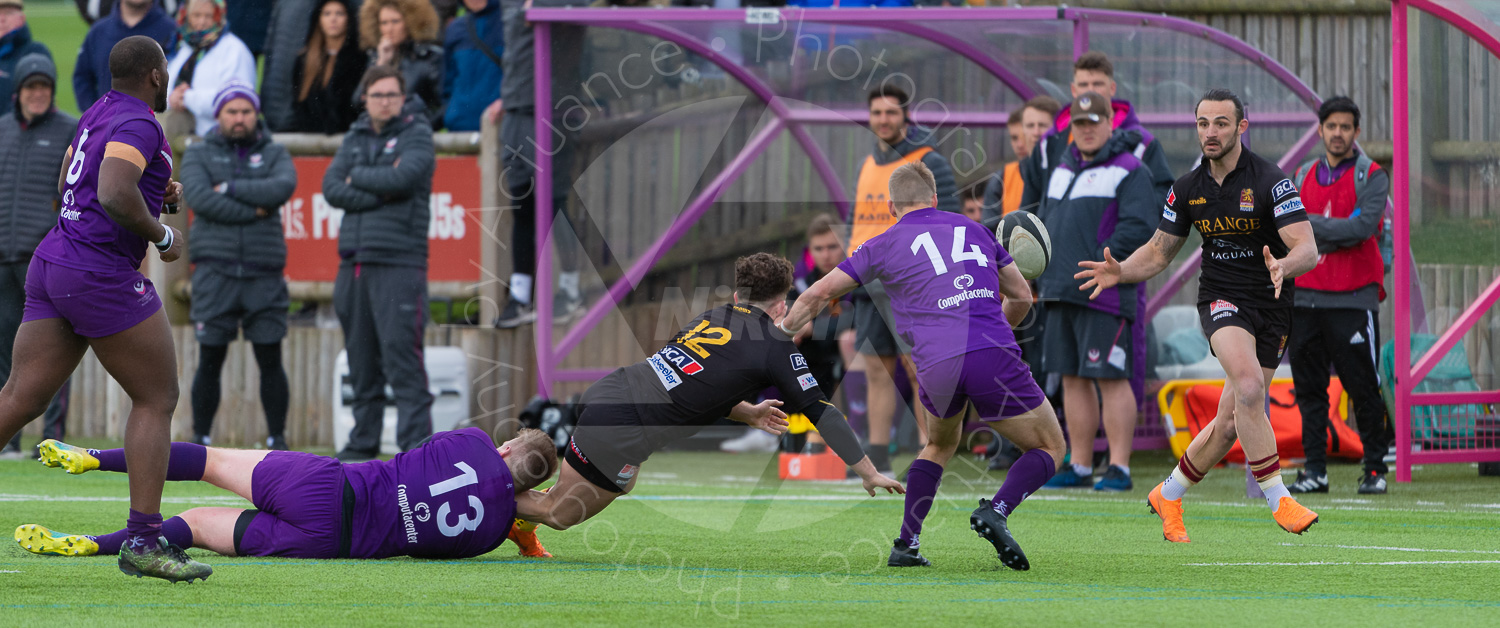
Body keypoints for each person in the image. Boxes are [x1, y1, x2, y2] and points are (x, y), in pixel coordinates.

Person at [783, 161, 1065, 570]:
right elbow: (1022, 296)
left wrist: (779, 332)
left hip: (934, 366)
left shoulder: (881, 243)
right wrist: (989, 340)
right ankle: (996, 511)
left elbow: (817, 294)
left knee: (939, 444)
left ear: (891, 207)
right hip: (990, 352)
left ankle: (906, 543)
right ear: (934, 198)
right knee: (1050, 447)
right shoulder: (977, 230)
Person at [515, 253, 904, 545]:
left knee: (619, 483)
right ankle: (477, 491)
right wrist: (868, 470)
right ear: (781, 306)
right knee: (559, 514)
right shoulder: (775, 347)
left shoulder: (713, 315)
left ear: (737, 295)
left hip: (611, 393)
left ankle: (507, 502)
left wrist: (749, 413)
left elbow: (687, 382)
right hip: (624, 427)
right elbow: (825, 415)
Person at [0, 36, 206, 581]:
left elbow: (77, 168)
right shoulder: (142, 123)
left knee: (19, 398)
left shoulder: (99, 111)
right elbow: (114, 191)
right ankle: (142, 541)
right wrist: (162, 234)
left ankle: (142, 540)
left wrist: (154, 186)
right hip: (97, 272)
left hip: (54, 260)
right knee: (157, 397)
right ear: (157, 76)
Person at [1076, 88, 1322, 542]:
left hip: (1272, 305)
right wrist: (1121, 270)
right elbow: (1158, 251)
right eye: (1203, 123)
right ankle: (1278, 499)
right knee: (1249, 386)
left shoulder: (1272, 181)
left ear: (1241, 128)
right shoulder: (1187, 188)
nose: (1210, 132)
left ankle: (1169, 493)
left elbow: (1308, 247)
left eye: (1221, 123)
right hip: (1221, 299)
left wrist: (1284, 265)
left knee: (1231, 422)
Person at [16, 427, 558, 561]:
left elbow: (433, 454)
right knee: (199, 524)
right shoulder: (491, 533)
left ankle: (94, 457)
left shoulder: (474, 441)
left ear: (508, 447)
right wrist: (519, 518)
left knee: (206, 462)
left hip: (329, 484)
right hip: (328, 542)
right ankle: (92, 543)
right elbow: (505, 507)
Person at [1034, 92, 1156, 493]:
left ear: (1110, 123)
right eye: (1079, 124)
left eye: (1093, 122)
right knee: (1071, 377)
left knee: (1109, 377)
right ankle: (1081, 465)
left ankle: (1118, 466)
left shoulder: (1130, 169)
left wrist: (1101, 265)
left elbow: (1140, 228)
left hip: (1103, 290)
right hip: (1057, 290)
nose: (1086, 130)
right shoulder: (1061, 167)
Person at [322, 65, 436, 462]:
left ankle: (417, 451)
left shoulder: (418, 133)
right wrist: (378, 187)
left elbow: (404, 180)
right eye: (377, 95)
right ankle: (362, 446)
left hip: (399, 262)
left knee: (403, 359)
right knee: (361, 362)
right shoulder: (354, 137)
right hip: (352, 263)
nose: (384, 101)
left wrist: (360, 181)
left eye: (391, 94)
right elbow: (332, 188)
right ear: (365, 98)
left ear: (403, 98)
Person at [847, 84, 958, 476]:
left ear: (905, 116)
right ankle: (878, 454)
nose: (883, 120)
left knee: (919, 369)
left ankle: (931, 455)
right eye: (876, 112)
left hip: (912, 283)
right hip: (869, 282)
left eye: (891, 112)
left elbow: (950, 217)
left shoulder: (928, 160)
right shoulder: (866, 164)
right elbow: (856, 221)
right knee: (877, 368)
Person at [179, 81, 297, 450]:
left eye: (246, 111)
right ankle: (200, 438)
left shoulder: (275, 152)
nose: (240, 118)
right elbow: (200, 199)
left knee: (270, 358)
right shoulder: (198, 154)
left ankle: (277, 439)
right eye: (232, 111)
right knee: (210, 357)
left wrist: (227, 189)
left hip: (264, 270)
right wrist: (255, 208)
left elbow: (282, 188)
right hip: (215, 271)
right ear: (218, 115)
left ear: (256, 114)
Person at [1286, 96, 1392, 495]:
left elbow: (1362, 228)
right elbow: (1286, 230)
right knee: (1310, 391)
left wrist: (1309, 227)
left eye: (1346, 127)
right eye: (1331, 126)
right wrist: (1331, 228)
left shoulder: (1373, 176)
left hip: (1352, 300)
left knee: (1364, 387)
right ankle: (1315, 471)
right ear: (1320, 130)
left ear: (1356, 133)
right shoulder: (1299, 176)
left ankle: (1375, 470)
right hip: (1305, 299)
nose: (1338, 133)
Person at [492, 0, 592, 328]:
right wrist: (506, 98)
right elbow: (516, 52)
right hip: (517, 109)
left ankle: (570, 290)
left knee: (553, 202)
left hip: (555, 109)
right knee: (522, 203)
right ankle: (521, 295)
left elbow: (582, 12)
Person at [720, 214, 855, 454]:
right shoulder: (801, 280)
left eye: (832, 247)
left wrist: (814, 327)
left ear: (845, 245)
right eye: (819, 248)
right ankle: (768, 426)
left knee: (849, 340)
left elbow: (861, 318)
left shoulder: (858, 276)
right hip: (808, 353)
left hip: (844, 352)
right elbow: (784, 312)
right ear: (810, 250)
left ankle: (857, 428)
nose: (825, 254)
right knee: (771, 338)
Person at [0, 54, 76, 460]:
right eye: (31, 87)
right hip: (2, 260)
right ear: (19, 92)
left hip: (45, 261)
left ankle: (51, 441)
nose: (38, 94)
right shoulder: (2, 130)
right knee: (3, 352)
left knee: (54, 354)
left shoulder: (69, 131)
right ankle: (9, 442)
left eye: (45, 87)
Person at [1021, 52, 1174, 213]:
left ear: (1112, 88)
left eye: (1097, 84)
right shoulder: (1049, 142)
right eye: (1083, 84)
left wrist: (1119, 220)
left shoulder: (1141, 143)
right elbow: (1030, 206)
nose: (1090, 91)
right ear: (1073, 89)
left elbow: (1163, 199)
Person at [165, 0, 257, 137]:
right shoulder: (185, 49)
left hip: (219, 138)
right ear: (186, 16)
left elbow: (237, 100)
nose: (202, 22)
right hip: (181, 136)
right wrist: (172, 98)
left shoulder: (234, 51)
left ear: (219, 16)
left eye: (208, 16)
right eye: (196, 15)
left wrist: (187, 98)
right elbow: (165, 91)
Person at [73, 0, 179, 112]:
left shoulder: (172, 31)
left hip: (156, 124)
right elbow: (82, 78)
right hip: (108, 125)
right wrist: (96, 114)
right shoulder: (98, 31)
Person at [359, 0, 444, 126]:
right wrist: (381, 63)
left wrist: (420, 128)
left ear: (410, 22)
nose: (389, 29)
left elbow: (444, 104)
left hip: (416, 136)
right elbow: (358, 102)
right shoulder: (376, 56)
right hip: (382, 137)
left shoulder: (430, 56)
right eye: (384, 23)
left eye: (395, 21)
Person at [288, 0, 364, 134]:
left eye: (339, 14)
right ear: (319, 19)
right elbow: (298, 104)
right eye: (327, 14)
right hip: (310, 140)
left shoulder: (359, 59)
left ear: (349, 19)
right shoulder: (303, 60)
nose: (333, 19)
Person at [982, 95, 1059, 223]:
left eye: (1042, 125)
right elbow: (990, 233)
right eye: (1030, 126)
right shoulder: (1003, 178)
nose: (1036, 132)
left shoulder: (1070, 171)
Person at [441, 0, 503, 132]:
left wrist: (508, 102)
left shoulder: (511, 23)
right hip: (460, 125)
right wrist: (453, 110)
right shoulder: (455, 28)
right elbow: (447, 81)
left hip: (499, 123)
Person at [0, 1, 49, 118]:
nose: (2, 19)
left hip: (16, 131)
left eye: (8, 13)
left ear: (22, 18)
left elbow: (38, 99)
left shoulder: (35, 53)